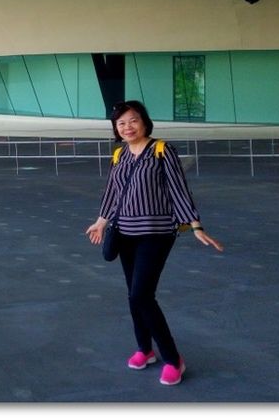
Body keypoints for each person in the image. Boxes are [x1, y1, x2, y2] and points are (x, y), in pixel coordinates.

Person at [85, 100, 223, 386]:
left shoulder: (161, 150)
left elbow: (178, 189)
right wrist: (101, 221)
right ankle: (145, 349)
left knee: (142, 295)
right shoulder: (120, 155)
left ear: (144, 122)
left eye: (133, 121)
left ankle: (173, 359)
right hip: (125, 233)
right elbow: (113, 192)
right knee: (133, 295)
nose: (127, 127)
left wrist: (195, 225)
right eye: (121, 123)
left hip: (156, 234)